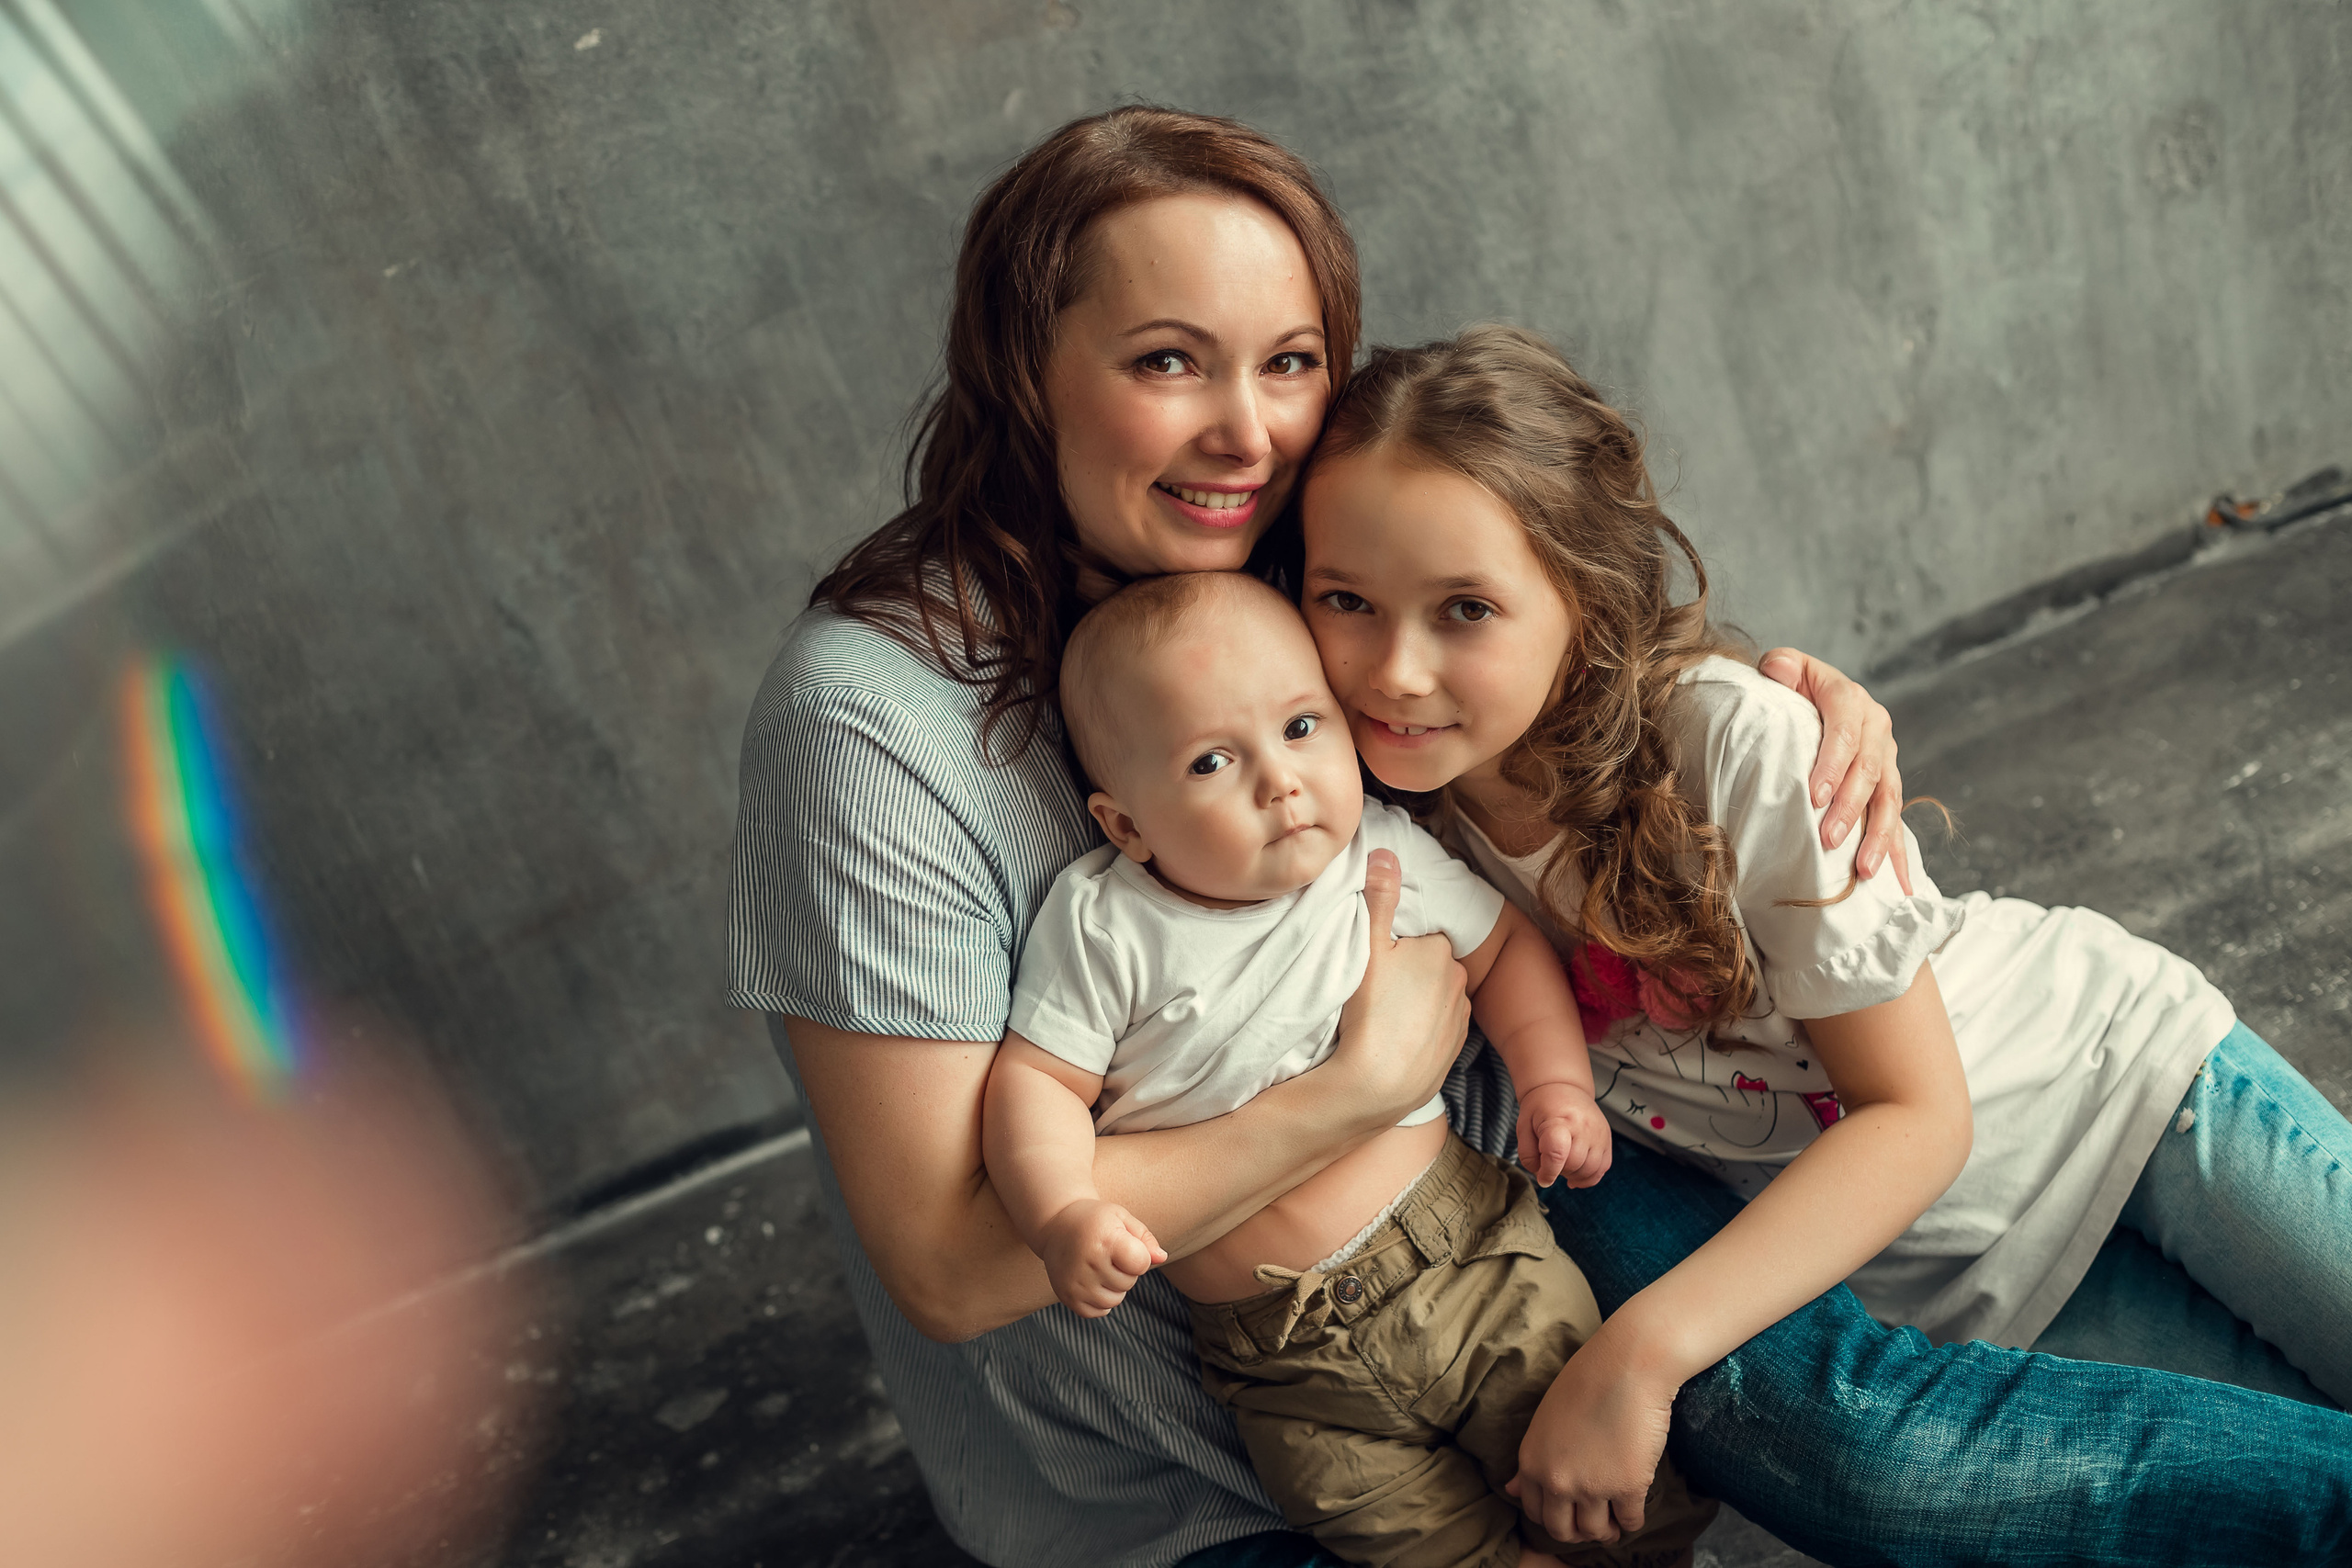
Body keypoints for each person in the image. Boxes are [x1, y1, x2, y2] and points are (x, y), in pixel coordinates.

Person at [722, 106, 2314, 1568]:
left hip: (1513, 1194)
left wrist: (1784, 701)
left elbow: (1537, 608)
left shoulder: (1278, 558)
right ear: (1023, 364)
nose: (1248, 432)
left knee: (1869, 1446)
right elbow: (952, 1267)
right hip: (1207, 1456)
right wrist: (1354, 1086)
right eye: (1166, 362)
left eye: (1290, 363)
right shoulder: (872, 717)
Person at [1293, 321, 2352, 1558]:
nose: (1394, 670)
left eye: (1465, 608)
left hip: (2128, 1096)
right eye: (1345, 600)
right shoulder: (1379, 829)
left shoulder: (1725, 741)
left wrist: (1641, 1352)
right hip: (1971, 1282)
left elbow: (1918, 1113)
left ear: (1584, 596)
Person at [982, 570, 1710, 1568]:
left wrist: (1554, 1087)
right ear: (1125, 825)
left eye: (1300, 727)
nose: (1279, 781)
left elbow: (1502, 950)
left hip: (1469, 1264)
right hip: (1278, 1358)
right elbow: (1037, 1085)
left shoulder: (1377, 856)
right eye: (1210, 761)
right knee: (1402, 1536)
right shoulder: (1103, 925)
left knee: (1610, 1496)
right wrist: (1061, 1209)